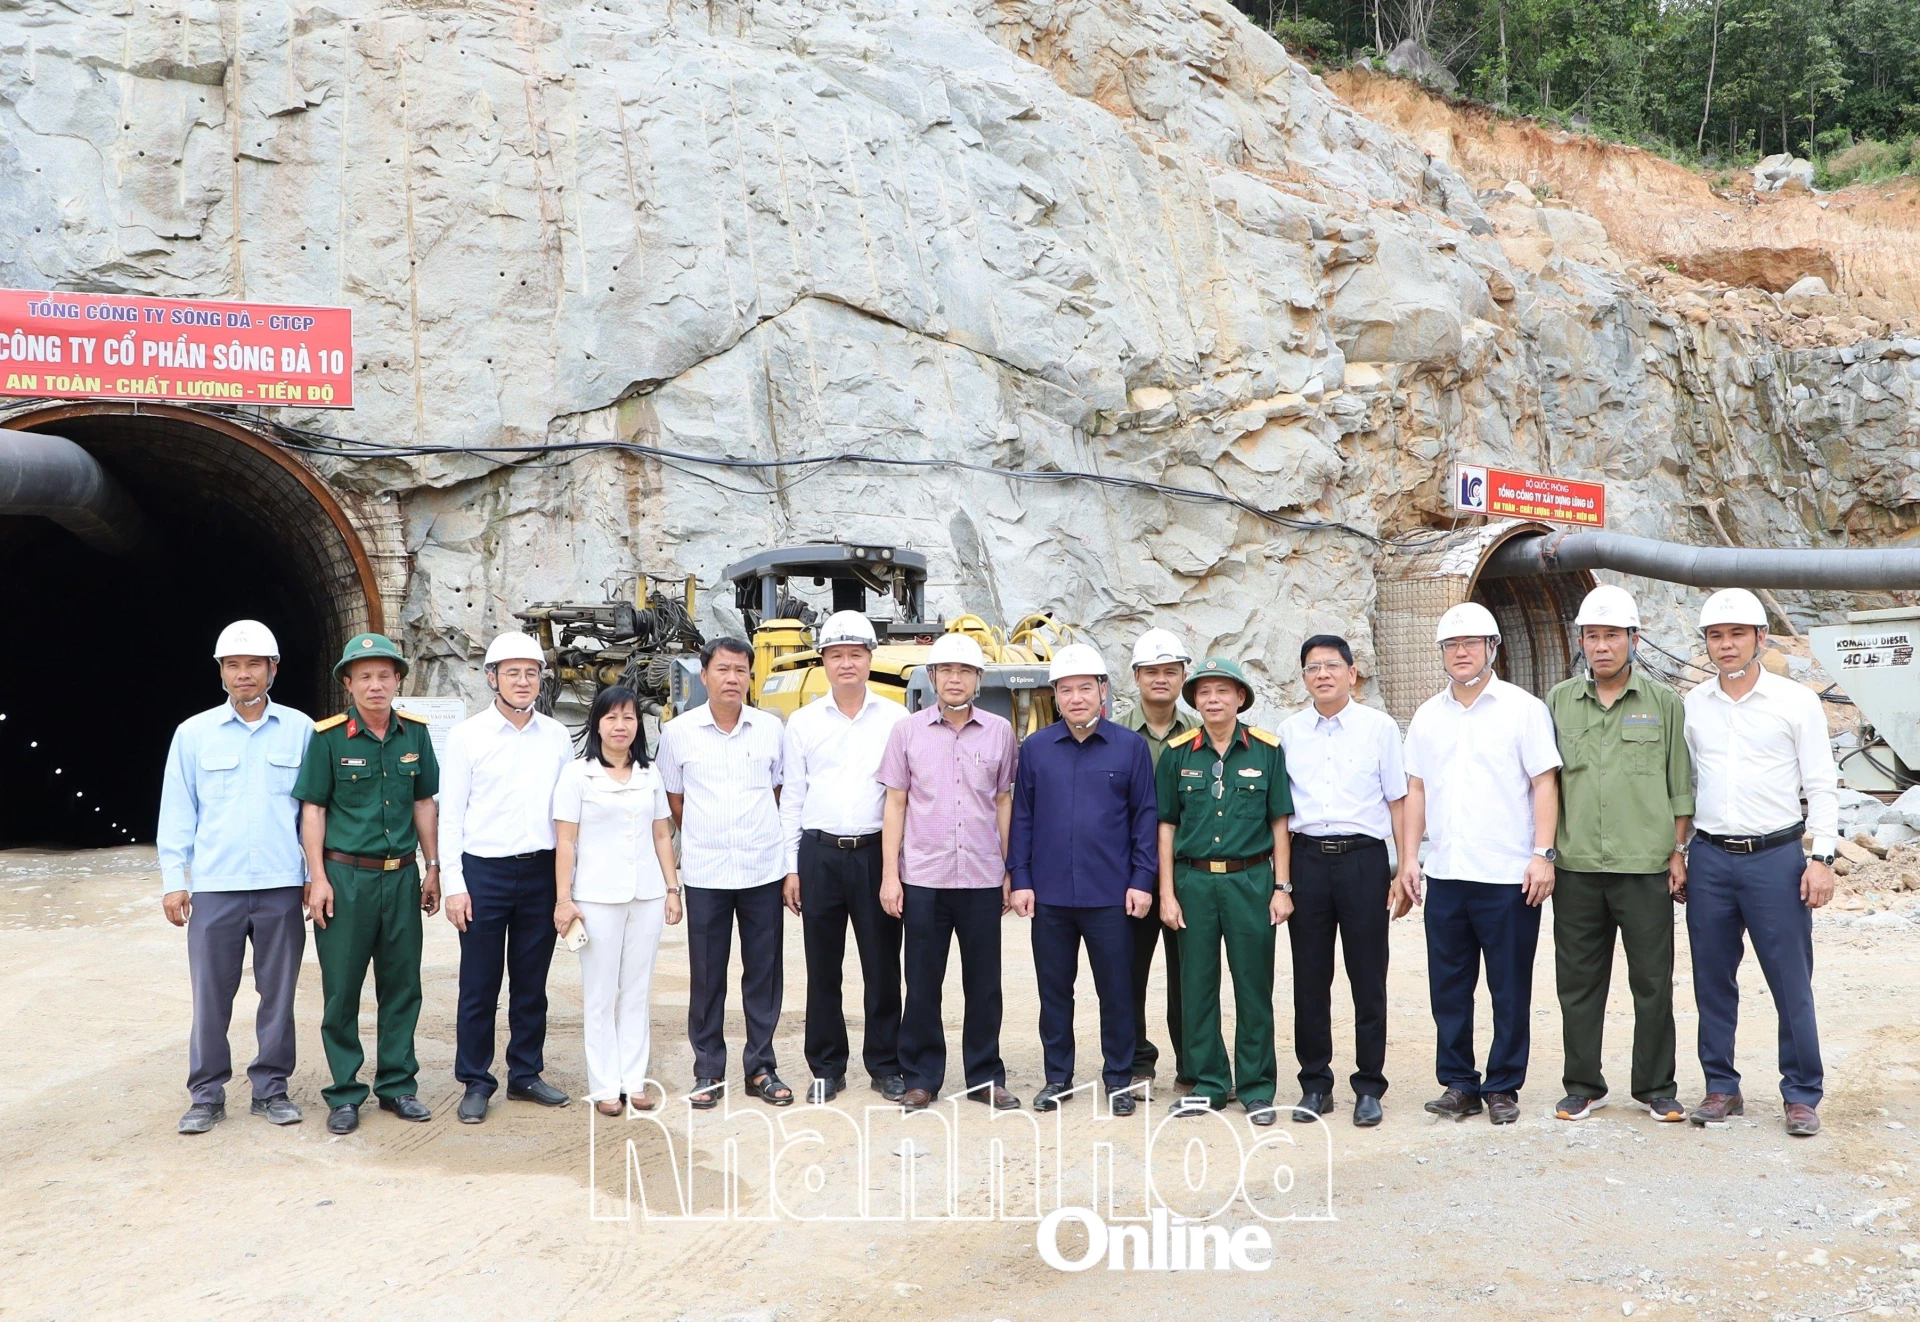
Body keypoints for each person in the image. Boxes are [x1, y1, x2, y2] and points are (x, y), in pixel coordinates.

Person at [1683, 588, 1837, 1138]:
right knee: (1712, 980)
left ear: (1760, 638)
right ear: (1706, 644)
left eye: (1737, 634)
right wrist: (1680, 855)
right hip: (1710, 859)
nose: (1726, 645)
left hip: (1776, 859)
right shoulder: (1694, 705)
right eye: (1716, 636)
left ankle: (1801, 1094)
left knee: (1790, 980)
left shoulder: (1795, 702)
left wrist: (1821, 857)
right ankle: (1721, 1086)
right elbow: (1686, 784)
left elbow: (1821, 783)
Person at [1402, 602, 1561, 1126]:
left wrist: (1542, 855)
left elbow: (1544, 783)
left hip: (1507, 877)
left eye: (1472, 643)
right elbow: (1417, 791)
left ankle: (1502, 1086)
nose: (1462, 652)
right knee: (1448, 987)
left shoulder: (1523, 709)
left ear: (1493, 648)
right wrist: (1408, 859)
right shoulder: (1428, 716)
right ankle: (1459, 1084)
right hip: (1446, 873)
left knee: (1508, 986)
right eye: (1452, 645)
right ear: (1443, 654)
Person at [158, 621, 315, 1135]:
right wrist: (174, 879)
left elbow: (314, 813)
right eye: (232, 665)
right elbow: (178, 811)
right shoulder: (194, 733)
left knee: (279, 994)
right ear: (221, 672)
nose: (243, 674)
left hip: (280, 884)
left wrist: (315, 875)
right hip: (215, 885)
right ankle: (206, 1094)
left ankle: (271, 1089)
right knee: (210, 994)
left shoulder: (301, 730)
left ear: (273, 669)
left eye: (253, 664)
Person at [1546, 586, 1694, 1125]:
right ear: (1581, 641)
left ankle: (1656, 1086)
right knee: (1578, 983)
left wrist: (1678, 852)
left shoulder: (1663, 704)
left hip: (1645, 867)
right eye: (1592, 636)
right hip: (1577, 867)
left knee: (1653, 981)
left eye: (1612, 635)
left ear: (1634, 639)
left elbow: (1680, 784)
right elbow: (1546, 786)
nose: (1601, 646)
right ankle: (1583, 1084)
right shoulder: (1559, 702)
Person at [294, 632, 442, 1135]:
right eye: (365, 676)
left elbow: (424, 803)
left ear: (398, 680)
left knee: (402, 987)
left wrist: (433, 866)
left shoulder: (415, 736)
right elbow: (313, 810)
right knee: (342, 990)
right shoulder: (328, 738)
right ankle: (344, 1092)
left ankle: (398, 1085)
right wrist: (318, 879)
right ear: (348, 684)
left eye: (385, 675)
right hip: (344, 878)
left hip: (400, 879)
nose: (376, 685)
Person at [1008, 643, 1157, 1117]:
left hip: (1111, 895)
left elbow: (1144, 819)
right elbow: (1023, 818)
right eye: (1065, 689)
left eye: (1084, 688)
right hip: (1049, 895)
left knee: (1116, 991)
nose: (1076, 698)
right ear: (1055, 695)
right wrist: (1021, 878)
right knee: (1054, 991)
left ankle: (1118, 1079)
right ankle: (1058, 1078)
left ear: (1102, 691)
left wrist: (1142, 880)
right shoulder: (1035, 749)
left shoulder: (1128, 747)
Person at [1277, 634, 1416, 1129]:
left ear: (1352, 673)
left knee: (1367, 975)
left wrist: (1403, 868)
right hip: (1308, 859)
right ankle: (1315, 1084)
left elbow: (1399, 801)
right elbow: (1280, 810)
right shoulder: (1289, 731)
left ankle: (1368, 1086)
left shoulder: (1379, 728)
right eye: (1312, 667)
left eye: (1332, 665)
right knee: (1310, 978)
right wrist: (1283, 880)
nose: (1323, 674)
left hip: (1363, 861)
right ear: (1304, 678)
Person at [879, 631, 1021, 1111]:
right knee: (921, 983)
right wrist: (889, 875)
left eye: (965, 671)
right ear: (932, 677)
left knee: (984, 985)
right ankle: (921, 1076)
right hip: (923, 877)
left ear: (979, 679)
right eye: (946, 671)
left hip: (981, 877)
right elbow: (895, 802)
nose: (955, 679)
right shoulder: (908, 731)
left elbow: (1004, 801)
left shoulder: (1000, 731)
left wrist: (1009, 870)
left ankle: (985, 1076)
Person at [439, 632, 576, 1124]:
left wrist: (567, 887)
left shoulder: (557, 737)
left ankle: (525, 1073)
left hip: (539, 870)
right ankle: (476, 1080)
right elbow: (449, 815)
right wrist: (454, 884)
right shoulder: (467, 736)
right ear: (492, 678)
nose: (523, 682)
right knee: (479, 984)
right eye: (512, 673)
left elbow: (566, 817)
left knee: (531, 982)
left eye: (532, 673)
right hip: (484, 873)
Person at [778, 611, 911, 1105]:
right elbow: (792, 796)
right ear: (824, 662)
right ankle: (827, 1067)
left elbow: (904, 796)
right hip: (819, 854)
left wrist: (897, 869)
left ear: (870, 659)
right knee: (823, 965)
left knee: (882, 964)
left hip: (876, 853)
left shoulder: (896, 719)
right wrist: (791, 867)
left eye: (856, 654)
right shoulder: (803, 721)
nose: (847, 663)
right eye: (837, 655)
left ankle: (885, 1064)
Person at [1156, 656, 1292, 1126]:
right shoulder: (1177, 753)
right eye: (1204, 692)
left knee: (1253, 986)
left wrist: (1281, 886)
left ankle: (1256, 1086)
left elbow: (1280, 823)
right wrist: (1167, 893)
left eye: (1222, 691)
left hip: (1250, 882)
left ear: (1240, 698)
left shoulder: (1266, 750)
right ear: (1194, 700)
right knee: (1196, 986)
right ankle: (1210, 1082)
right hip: (1193, 882)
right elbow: (1166, 827)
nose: (1213, 699)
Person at [657, 638, 791, 1108]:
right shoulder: (678, 733)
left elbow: (781, 791)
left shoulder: (772, 729)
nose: (732, 679)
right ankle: (708, 1071)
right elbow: (674, 801)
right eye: (723, 670)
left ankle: (761, 1068)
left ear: (750, 677)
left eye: (740, 671)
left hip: (761, 869)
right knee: (707, 976)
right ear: (705, 676)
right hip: (707, 872)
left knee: (763, 975)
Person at [553, 685, 683, 1117]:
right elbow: (566, 843)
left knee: (637, 990)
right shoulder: (577, 775)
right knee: (600, 993)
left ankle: (635, 1079)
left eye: (629, 717)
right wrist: (563, 899)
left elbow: (661, 833)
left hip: (645, 895)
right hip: (595, 898)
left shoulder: (650, 774)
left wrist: (671, 888)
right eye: (611, 717)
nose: (621, 725)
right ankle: (605, 1085)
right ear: (597, 724)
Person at [1116, 627, 1199, 1088]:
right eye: (1152, 672)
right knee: (1127, 975)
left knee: (1190, 976)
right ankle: (1135, 1063)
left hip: (1186, 874)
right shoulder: (1115, 734)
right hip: (1128, 874)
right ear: (1137, 677)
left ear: (1183, 675)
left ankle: (1193, 1065)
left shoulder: (1202, 733)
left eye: (1170, 671)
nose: (1161, 680)